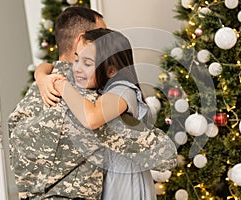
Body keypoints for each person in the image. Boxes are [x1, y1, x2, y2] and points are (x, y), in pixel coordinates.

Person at [52, 28, 177, 200]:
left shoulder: (123, 91)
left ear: (111, 71)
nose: (77, 68)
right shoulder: (100, 89)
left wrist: (61, 85)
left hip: (126, 185)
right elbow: (48, 66)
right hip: (108, 181)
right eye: (76, 59)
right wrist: (42, 76)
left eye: (87, 64)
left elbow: (92, 118)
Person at [8, 7, 106, 199]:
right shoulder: (87, 97)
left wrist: (41, 74)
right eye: (102, 36)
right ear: (82, 41)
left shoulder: (36, 90)